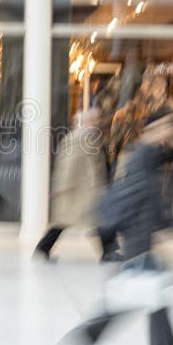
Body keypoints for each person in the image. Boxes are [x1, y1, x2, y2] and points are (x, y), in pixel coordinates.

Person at [56, 110, 173, 345]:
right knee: (127, 303)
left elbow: (153, 201)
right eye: (165, 127)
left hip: (141, 241)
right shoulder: (141, 159)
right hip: (138, 243)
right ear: (151, 130)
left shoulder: (149, 157)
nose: (169, 133)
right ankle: (83, 339)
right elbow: (149, 202)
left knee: (152, 299)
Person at [33, 109, 110, 261]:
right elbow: (69, 165)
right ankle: (42, 248)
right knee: (68, 223)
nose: (97, 122)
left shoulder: (83, 136)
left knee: (88, 221)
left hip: (82, 190)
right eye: (93, 119)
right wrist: (63, 188)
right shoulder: (81, 138)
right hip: (80, 191)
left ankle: (108, 251)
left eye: (97, 118)